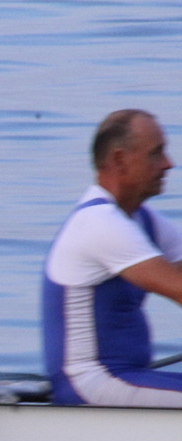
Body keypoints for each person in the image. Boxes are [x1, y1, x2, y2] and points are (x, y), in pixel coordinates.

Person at [42, 109, 182, 407]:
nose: (169, 164)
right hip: (91, 384)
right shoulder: (100, 223)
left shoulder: (145, 221)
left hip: (129, 376)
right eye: (156, 154)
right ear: (119, 160)